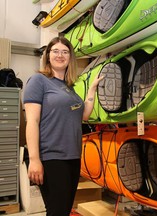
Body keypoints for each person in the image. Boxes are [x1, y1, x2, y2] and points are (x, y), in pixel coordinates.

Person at [23, 36, 104, 216]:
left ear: (70, 58)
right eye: (56, 51)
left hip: (72, 157)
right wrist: (35, 159)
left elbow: (84, 115)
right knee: (57, 211)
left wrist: (92, 90)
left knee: (63, 211)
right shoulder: (38, 81)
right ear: (48, 55)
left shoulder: (69, 88)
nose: (60, 55)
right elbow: (32, 122)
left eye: (65, 52)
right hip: (51, 157)